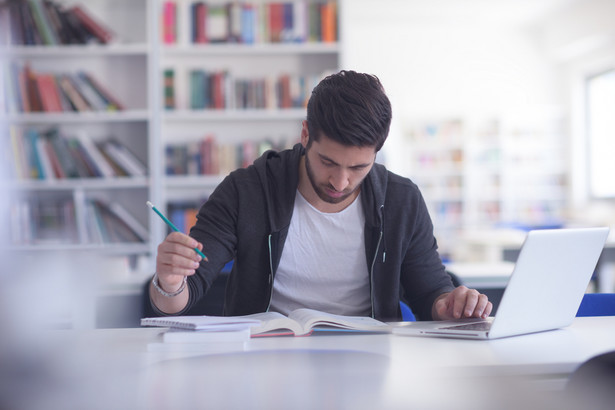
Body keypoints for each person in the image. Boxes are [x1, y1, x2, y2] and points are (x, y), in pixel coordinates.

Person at [150, 70, 492, 321]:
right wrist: (169, 282)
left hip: (369, 362)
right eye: (328, 162)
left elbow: (430, 293)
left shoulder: (402, 200)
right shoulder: (246, 190)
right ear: (305, 134)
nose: (341, 182)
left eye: (358, 167)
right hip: (262, 363)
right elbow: (185, 293)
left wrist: (450, 305)